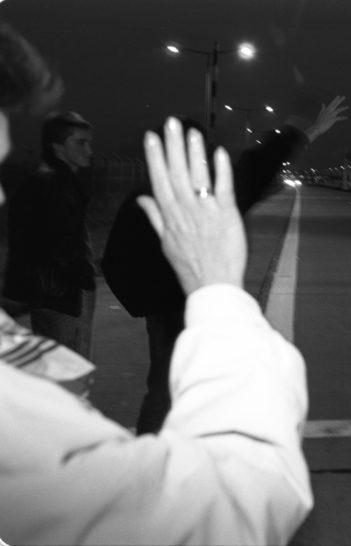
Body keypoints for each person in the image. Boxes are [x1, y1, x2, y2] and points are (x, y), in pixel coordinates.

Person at [0, 23, 312, 545]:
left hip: (109, 302)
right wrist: (219, 292)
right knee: (157, 388)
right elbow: (237, 507)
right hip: (102, 302)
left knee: (140, 387)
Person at [102, 94, 347, 434]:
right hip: (195, 313)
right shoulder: (205, 196)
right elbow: (256, 167)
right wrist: (303, 132)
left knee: (168, 388)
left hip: (168, 315)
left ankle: (163, 460)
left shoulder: (144, 197)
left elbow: (114, 262)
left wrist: (147, 303)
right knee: (187, 390)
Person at [3, 109, 97, 359]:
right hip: (65, 295)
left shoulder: (36, 181)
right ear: (57, 147)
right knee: (71, 367)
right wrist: (82, 277)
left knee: (53, 366)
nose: (89, 150)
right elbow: (63, 243)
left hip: (45, 294)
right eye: (80, 143)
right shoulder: (60, 185)